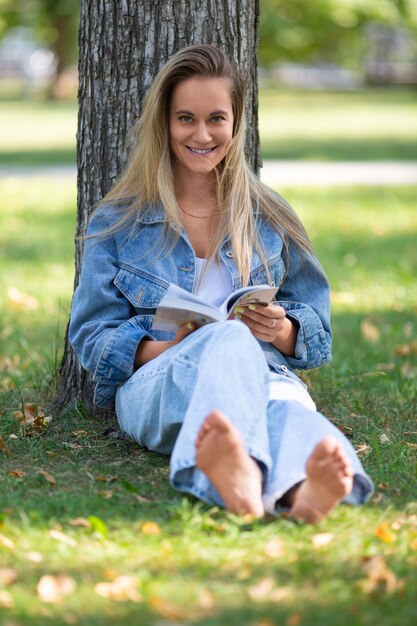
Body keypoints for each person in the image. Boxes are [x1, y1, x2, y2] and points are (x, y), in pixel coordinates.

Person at [69, 44, 373, 523]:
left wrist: (281, 331)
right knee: (228, 339)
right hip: (159, 383)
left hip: (265, 374)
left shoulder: (271, 216)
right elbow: (90, 335)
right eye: (186, 118)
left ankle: (292, 493)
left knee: (289, 406)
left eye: (217, 118)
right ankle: (256, 475)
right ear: (164, 124)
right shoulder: (118, 221)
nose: (203, 134)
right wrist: (170, 345)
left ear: (236, 124)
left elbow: (316, 332)